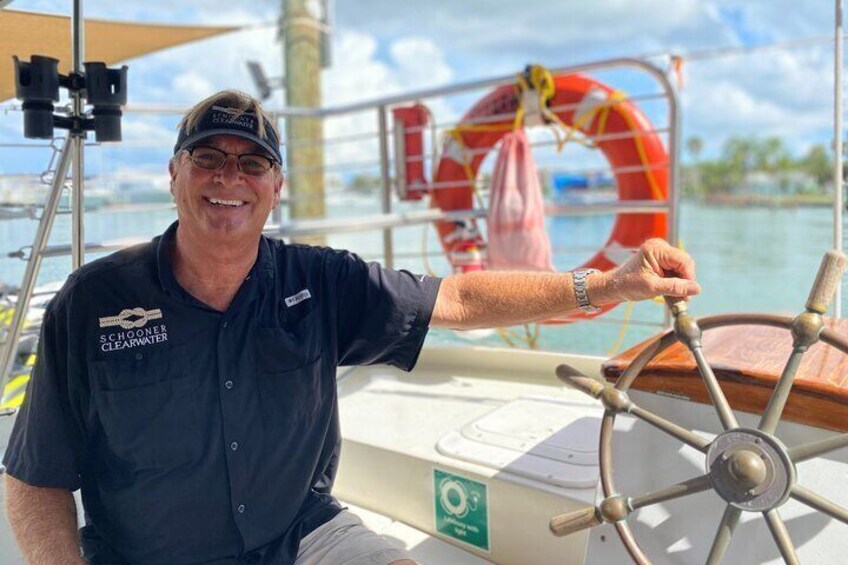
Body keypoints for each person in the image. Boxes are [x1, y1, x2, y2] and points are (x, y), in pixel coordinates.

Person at [3, 90, 700, 565]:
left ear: (275, 189)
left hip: (301, 534)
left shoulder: (322, 283)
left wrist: (604, 283)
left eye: (252, 162)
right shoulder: (92, 303)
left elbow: (456, 298)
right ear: (175, 172)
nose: (230, 176)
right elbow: (35, 478)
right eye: (209, 157)